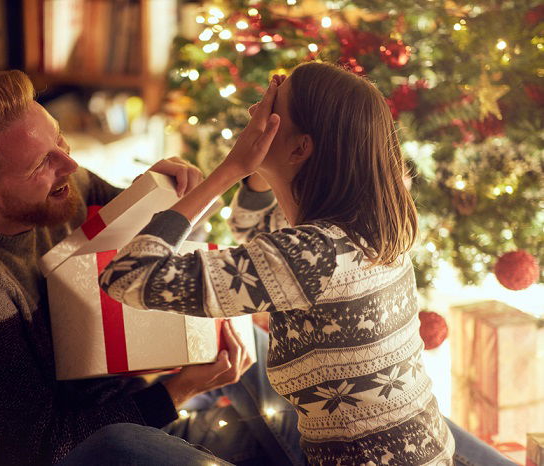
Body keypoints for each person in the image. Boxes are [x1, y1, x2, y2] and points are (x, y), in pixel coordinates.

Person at [99, 63, 518, 465]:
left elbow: (128, 275)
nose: (254, 114)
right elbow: (254, 230)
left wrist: (229, 170)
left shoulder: (306, 257)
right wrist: (264, 159)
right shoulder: (367, 224)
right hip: (425, 447)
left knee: (118, 445)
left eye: (270, 110)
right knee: (246, 342)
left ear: (301, 147)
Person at [0, 69, 303, 465]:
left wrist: (160, 192)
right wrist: (179, 390)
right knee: (123, 444)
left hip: (131, 411)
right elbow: (37, 449)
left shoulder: (65, 186)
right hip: (76, 450)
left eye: (60, 139)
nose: (69, 163)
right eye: (39, 165)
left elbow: (151, 242)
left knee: (248, 345)